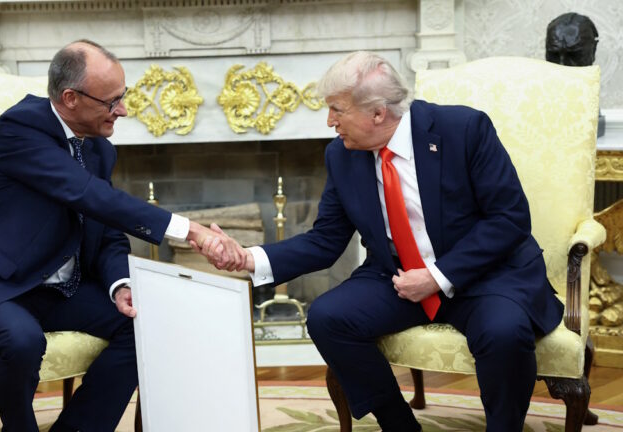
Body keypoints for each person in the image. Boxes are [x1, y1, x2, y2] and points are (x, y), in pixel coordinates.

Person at [197, 51, 564, 431]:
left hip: (483, 275)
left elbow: (509, 219)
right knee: (328, 317)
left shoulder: (464, 129)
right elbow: (325, 240)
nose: (330, 122)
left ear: (377, 113)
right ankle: (399, 424)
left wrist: (438, 277)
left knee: (504, 332)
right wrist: (247, 258)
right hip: (399, 275)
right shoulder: (342, 155)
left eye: (337, 110)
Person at [0, 39, 235, 432]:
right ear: (70, 98)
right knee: (23, 341)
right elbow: (87, 194)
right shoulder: (20, 129)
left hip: (60, 289)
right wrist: (187, 229)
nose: (122, 110)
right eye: (111, 101)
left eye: (122, 97)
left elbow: (106, 231)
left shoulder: (99, 150)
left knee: (146, 323)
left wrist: (118, 284)